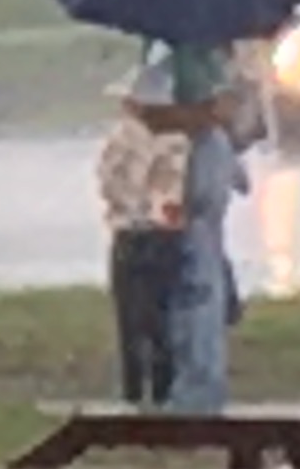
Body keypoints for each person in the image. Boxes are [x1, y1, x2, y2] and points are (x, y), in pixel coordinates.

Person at [158, 40, 247, 416]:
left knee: (202, 286)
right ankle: (196, 390)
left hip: (205, 169)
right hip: (200, 173)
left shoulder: (196, 52)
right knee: (198, 283)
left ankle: (201, 391)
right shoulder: (181, 52)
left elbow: (222, 113)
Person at [95, 65, 193, 405]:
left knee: (133, 322)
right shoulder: (179, 141)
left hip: (133, 235)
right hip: (163, 235)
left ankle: (135, 394)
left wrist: (133, 206)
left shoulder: (123, 138)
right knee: (160, 321)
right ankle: (161, 393)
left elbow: (108, 184)